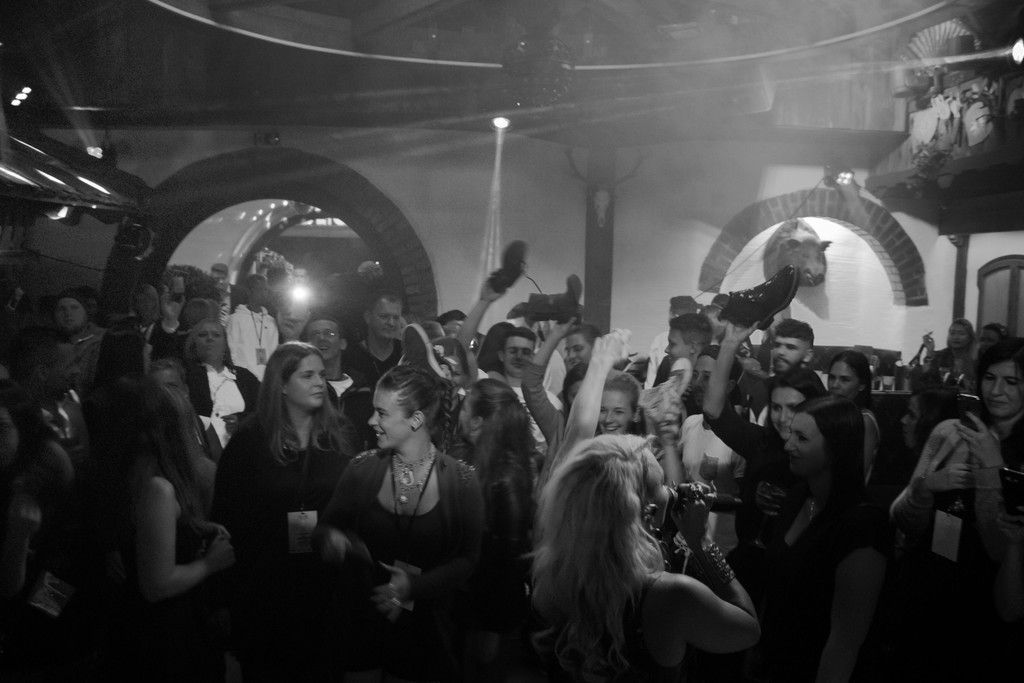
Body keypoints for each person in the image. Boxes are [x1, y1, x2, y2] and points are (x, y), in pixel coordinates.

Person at [532, 434, 760, 681]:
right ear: (641, 510)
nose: (672, 489)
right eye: (662, 483)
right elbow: (748, 629)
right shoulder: (672, 595)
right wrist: (701, 541)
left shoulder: (552, 577)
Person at [315, 364, 483, 681]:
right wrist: (333, 540)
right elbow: (325, 528)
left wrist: (413, 586)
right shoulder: (361, 469)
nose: (371, 421)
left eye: (381, 413)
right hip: (363, 623)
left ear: (416, 420)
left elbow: (468, 559)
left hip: (424, 632)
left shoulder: (461, 481)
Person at [212, 342, 354, 682]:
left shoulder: (338, 435)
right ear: (282, 385)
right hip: (266, 589)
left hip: (325, 586)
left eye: (321, 374)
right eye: (308, 375)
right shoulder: (249, 442)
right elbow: (226, 518)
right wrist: (222, 598)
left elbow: (353, 502)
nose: (320, 382)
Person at [889, 338, 1024, 680]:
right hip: (927, 584)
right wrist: (925, 488)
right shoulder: (950, 431)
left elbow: (1001, 550)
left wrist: (992, 468)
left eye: (1011, 381)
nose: (996, 391)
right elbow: (902, 518)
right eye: (989, 378)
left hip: (984, 604)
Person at [759, 396, 891, 682]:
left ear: (836, 449)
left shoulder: (862, 525)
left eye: (802, 438)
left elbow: (844, 644)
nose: (788, 445)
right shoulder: (800, 497)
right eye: (791, 434)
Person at [112, 377, 235, 683]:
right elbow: (157, 585)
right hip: (167, 637)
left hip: (160, 630)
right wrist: (210, 563)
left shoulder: (141, 471)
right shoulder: (159, 488)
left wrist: (194, 527)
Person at [702, 321, 828, 607]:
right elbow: (713, 410)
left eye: (793, 408)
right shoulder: (763, 443)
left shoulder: (823, 458)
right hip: (750, 567)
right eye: (777, 408)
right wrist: (729, 344)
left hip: (798, 577)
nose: (782, 418)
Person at [458, 379, 535, 681]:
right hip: (477, 601)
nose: (460, 413)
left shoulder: (506, 476)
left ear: (478, 422)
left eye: (465, 407)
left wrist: (490, 624)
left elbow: (509, 558)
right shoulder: (481, 461)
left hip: (492, 609)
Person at [0, 381, 78, 671]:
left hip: (54, 581)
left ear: (24, 425)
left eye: (2, 428)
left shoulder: (44, 464)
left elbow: (67, 560)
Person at [678, 347, 746, 553]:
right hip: (685, 544)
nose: (697, 383)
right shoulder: (690, 424)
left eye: (707, 377)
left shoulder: (741, 437)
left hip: (722, 551)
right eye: (695, 375)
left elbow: (747, 503)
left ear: (729, 386)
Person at [182, 319, 260, 449]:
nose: (209, 338)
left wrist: (241, 421)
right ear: (194, 344)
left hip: (241, 450)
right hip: (201, 452)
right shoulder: (185, 376)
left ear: (225, 344)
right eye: (203, 335)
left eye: (216, 335)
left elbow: (263, 411)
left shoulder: (245, 377)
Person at [826, 349, 880, 483]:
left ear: (861, 385)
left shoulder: (864, 420)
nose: (834, 385)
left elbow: (856, 476)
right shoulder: (830, 413)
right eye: (832, 377)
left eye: (844, 379)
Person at [226, 274, 278, 381]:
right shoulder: (235, 319)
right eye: (261, 289)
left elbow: (274, 351)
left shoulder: (271, 321)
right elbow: (232, 351)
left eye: (266, 290)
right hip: (244, 379)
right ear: (249, 291)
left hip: (267, 379)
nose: (265, 293)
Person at [53, 289, 105, 396]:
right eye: (61, 309)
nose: (68, 313)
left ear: (86, 312)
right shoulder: (48, 343)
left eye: (74, 308)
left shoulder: (103, 342)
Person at [645, 295, 700, 389]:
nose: (673, 317)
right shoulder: (660, 339)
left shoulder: (700, 343)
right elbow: (651, 379)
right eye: (672, 313)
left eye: (678, 315)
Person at [921, 318, 977, 392]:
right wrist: (930, 351)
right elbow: (927, 381)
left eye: (961, 334)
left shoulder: (976, 359)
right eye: (952, 333)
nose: (956, 337)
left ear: (970, 338)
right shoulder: (940, 356)